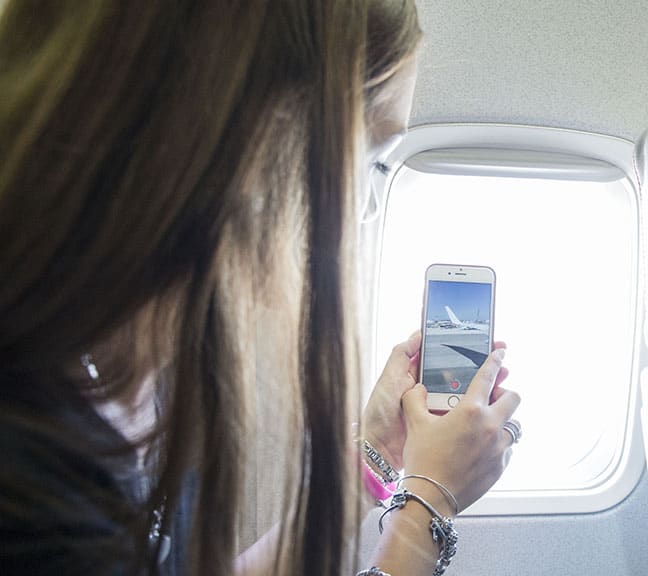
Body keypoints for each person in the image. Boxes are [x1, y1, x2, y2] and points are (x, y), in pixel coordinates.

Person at [0, 1, 521, 575]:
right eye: (374, 159)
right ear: (237, 132)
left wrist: (373, 456)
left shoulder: (130, 374)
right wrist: (429, 502)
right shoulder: (28, 486)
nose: (368, 207)